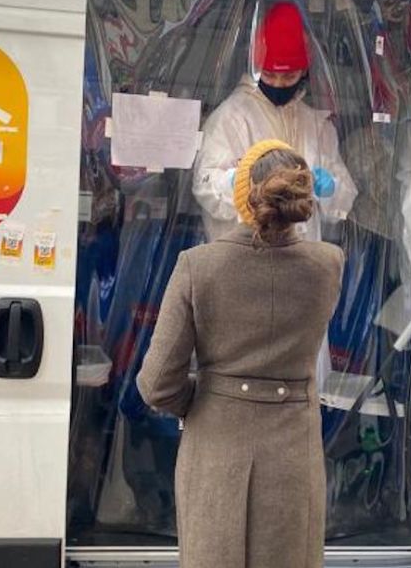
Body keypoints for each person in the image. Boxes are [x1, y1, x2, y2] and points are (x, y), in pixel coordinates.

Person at [137, 139, 344, 568]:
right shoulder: (329, 264)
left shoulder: (198, 266)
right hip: (293, 454)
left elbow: (156, 384)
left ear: (240, 196)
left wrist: (202, 399)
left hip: (217, 448)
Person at [192, 1, 357, 243]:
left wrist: (331, 188)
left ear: (304, 72)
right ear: (257, 67)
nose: (278, 84)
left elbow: (346, 198)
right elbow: (204, 188)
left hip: (301, 259)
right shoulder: (230, 118)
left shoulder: (316, 125)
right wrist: (236, 182)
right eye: (270, 75)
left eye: (289, 76)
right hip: (248, 257)